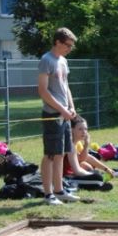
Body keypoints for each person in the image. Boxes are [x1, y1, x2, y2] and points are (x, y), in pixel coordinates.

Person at [38, 27, 80, 205]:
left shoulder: (63, 61)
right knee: (50, 154)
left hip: (64, 114)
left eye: (71, 46)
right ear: (57, 42)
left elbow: (65, 86)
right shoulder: (46, 60)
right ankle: (48, 194)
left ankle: (59, 190)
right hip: (52, 114)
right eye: (67, 45)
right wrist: (62, 109)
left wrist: (71, 107)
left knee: (61, 153)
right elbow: (43, 91)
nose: (70, 48)